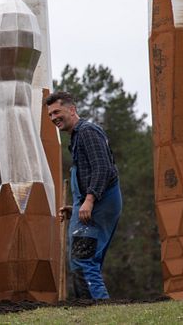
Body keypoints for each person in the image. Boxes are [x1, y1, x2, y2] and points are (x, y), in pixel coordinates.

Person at [45, 91, 122, 300]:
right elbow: (90, 172)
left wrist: (89, 201)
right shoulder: (77, 136)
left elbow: (102, 168)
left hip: (100, 201)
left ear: (72, 109)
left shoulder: (87, 131)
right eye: (50, 115)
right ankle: (90, 309)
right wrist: (76, 208)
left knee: (83, 260)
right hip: (93, 202)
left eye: (57, 112)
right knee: (85, 260)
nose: (53, 118)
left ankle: (97, 310)